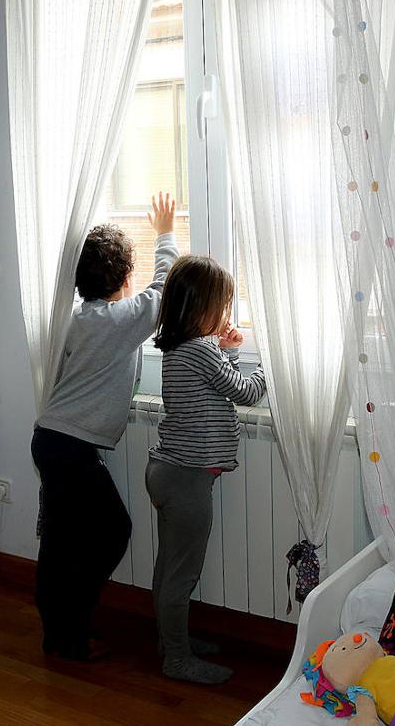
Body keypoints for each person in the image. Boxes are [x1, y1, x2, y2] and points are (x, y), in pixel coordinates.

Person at [31, 192, 178, 662]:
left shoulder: (75, 318)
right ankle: (69, 629)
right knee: (112, 530)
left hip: (52, 440)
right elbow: (164, 292)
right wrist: (166, 234)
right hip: (69, 446)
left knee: (61, 540)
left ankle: (61, 627)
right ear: (124, 278)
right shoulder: (119, 320)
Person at [146, 255, 266, 684]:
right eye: (224, 306)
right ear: (201, 308)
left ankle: (171, 642)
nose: (228, 315)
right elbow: (245, 392)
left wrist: (228, 349)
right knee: (181, 575)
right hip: (187, 478)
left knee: (168, 570)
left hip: (169, 472)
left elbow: (216, 383)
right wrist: (263, 361)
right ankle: (177, 659)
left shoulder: (182, 347)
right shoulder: (199, 350)